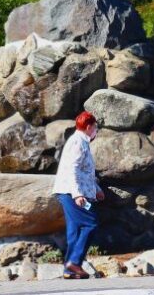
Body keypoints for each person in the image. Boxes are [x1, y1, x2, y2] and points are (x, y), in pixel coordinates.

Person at [52, 111, 104, 279]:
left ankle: (69, 270)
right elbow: (72, 169)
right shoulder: (77, 142)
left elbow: (84, 172)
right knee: (90, 223)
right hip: (71, 192)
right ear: (88, 127)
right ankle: (74, 262)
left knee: (74, 231)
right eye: (95, 127)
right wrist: (77, 194)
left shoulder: (81, 142)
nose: (96, 131)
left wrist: (96, 189)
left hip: (71, 191)